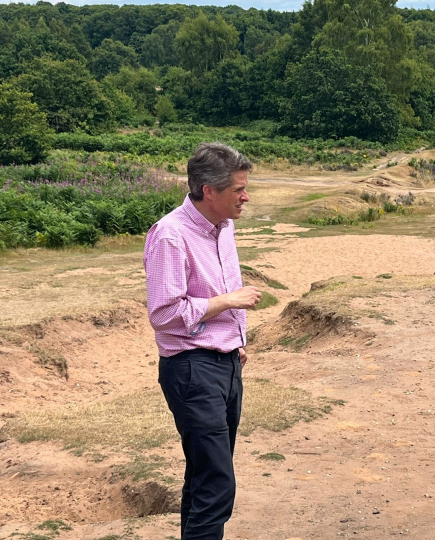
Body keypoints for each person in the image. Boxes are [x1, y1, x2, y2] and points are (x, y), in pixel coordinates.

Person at [144, 142, 262, 540]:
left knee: (203, 475)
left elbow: (222, 281)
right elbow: (163, 314)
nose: (246, 197)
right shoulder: (170, 235)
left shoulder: (223, 227)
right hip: (191, 369)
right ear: (208, 190)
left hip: (227, 363)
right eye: (238, 189)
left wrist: (236, 336)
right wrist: (228, 302)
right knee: (216, 483)